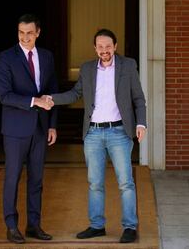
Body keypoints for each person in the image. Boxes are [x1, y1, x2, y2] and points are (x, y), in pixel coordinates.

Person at [44, 29, 146, 243]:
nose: (104, 50)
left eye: (108, 46)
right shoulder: (88, 68)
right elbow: (75, 93)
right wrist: (51, 98)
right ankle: (97, 225)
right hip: (93, 133)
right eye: (100, 47)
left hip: (119, 131)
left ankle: (129, 227)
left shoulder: (128, 66)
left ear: (115, 47)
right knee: (95, 183)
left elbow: (138, 97)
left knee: (126, 182)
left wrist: (141, 123)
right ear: (95, 48)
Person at [0, 13, 57, 244]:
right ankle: (11, 226)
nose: (25, 37)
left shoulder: (47, 57)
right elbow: (4, 95)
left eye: (30, 33)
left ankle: (34, 225)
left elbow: (52, 90)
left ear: (38, 33)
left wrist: (52, 125)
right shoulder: (5, 58)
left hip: (41, 129)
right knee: (12, 178)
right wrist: (34, 101)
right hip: (14, 130)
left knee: (36, 180)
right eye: (21, 32)